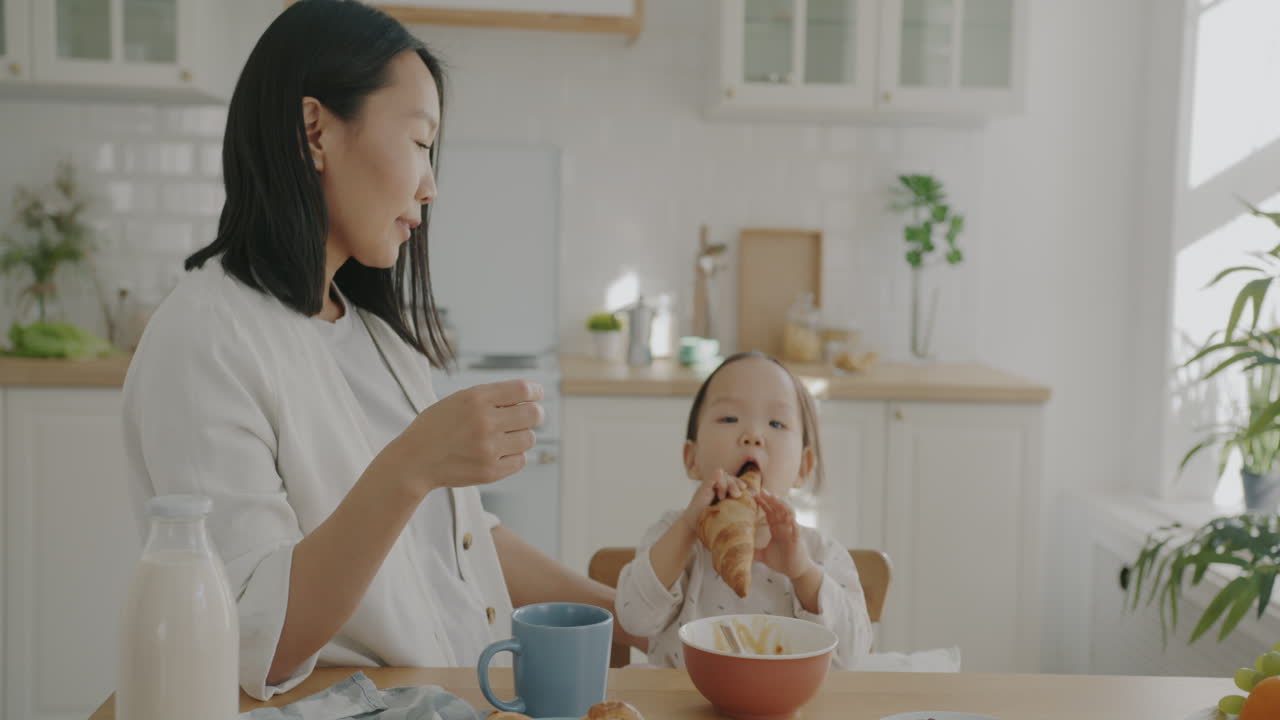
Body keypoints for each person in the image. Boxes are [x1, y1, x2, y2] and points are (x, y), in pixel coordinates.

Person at [122, 0, 637, 700]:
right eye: (422, 143)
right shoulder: (205, 337)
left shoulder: (374, 336)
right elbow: (253, 643)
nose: (431, 185)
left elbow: (457, 540)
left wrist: (627, 619)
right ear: (315, 131)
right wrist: (414, 463)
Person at [614, 352, 873, 669]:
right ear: (692, 458)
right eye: (729, 419)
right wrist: (686, 529)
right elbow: (634, 620)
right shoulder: (676, 536)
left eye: (776, 423)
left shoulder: (819, 554)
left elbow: (855, 654)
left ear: (803, 467)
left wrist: (803, 573)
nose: (752, 436)